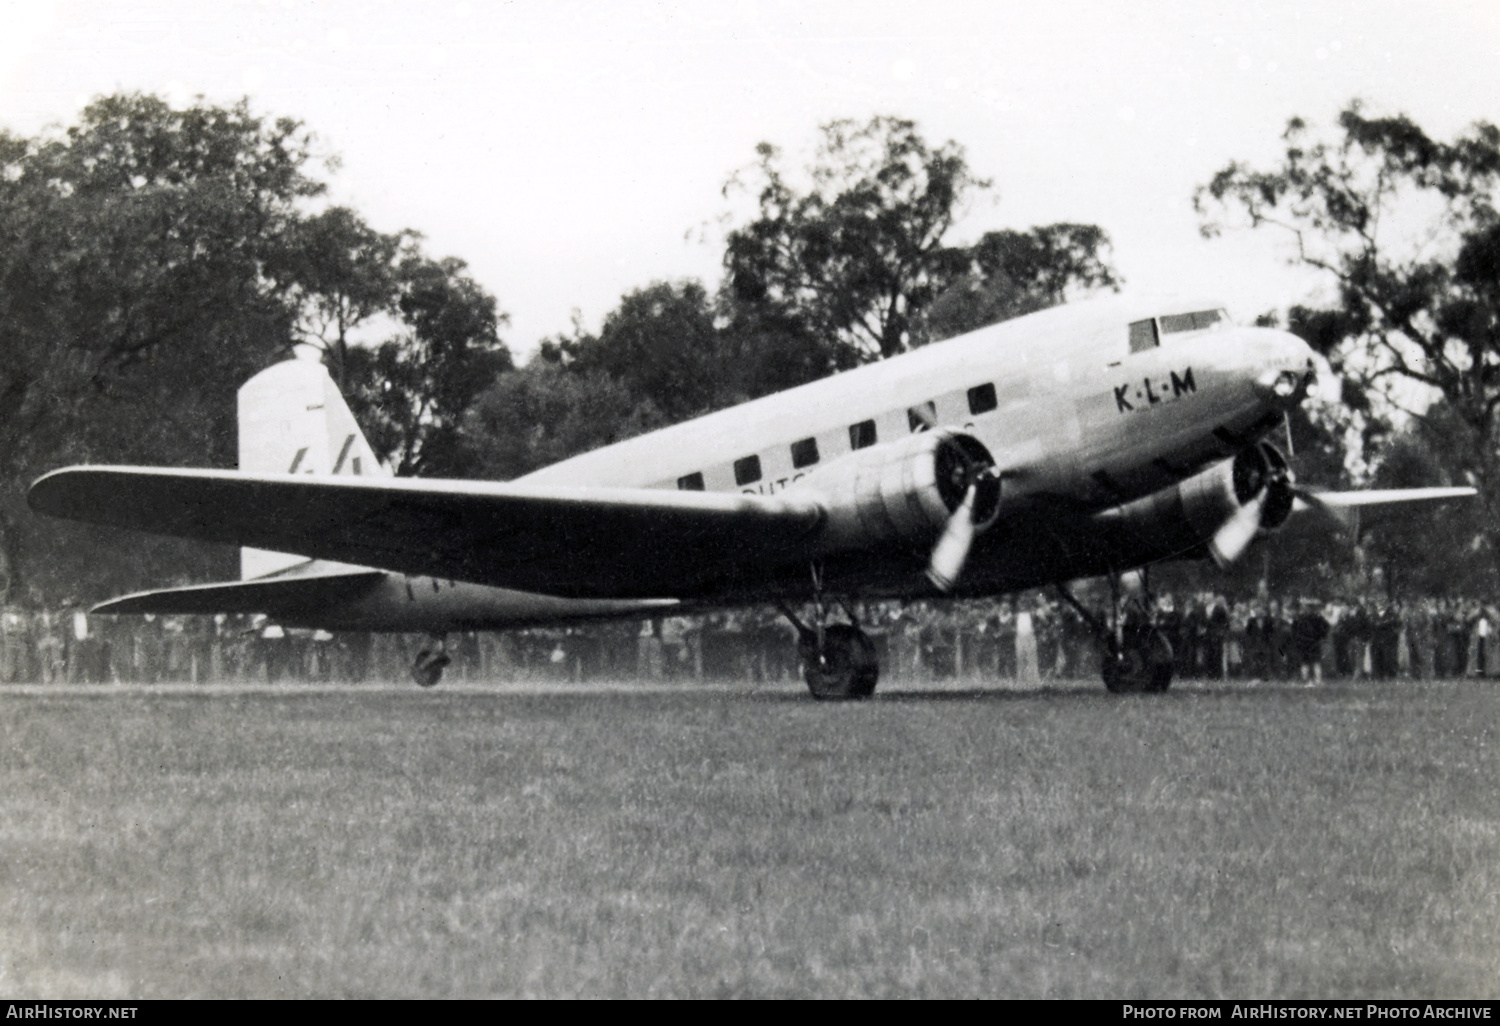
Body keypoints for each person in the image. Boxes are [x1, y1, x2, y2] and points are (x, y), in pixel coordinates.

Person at [1291, 600, 1330, 685]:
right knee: (1313, 662)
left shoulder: (1300, 618)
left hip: (1306, 642)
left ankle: (1308, 679)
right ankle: (1315, 680)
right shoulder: (1317, 617)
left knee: (1308, 662)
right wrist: (1321, 636)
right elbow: (1326, 628)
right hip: (1312, 642)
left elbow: (1294, 631)